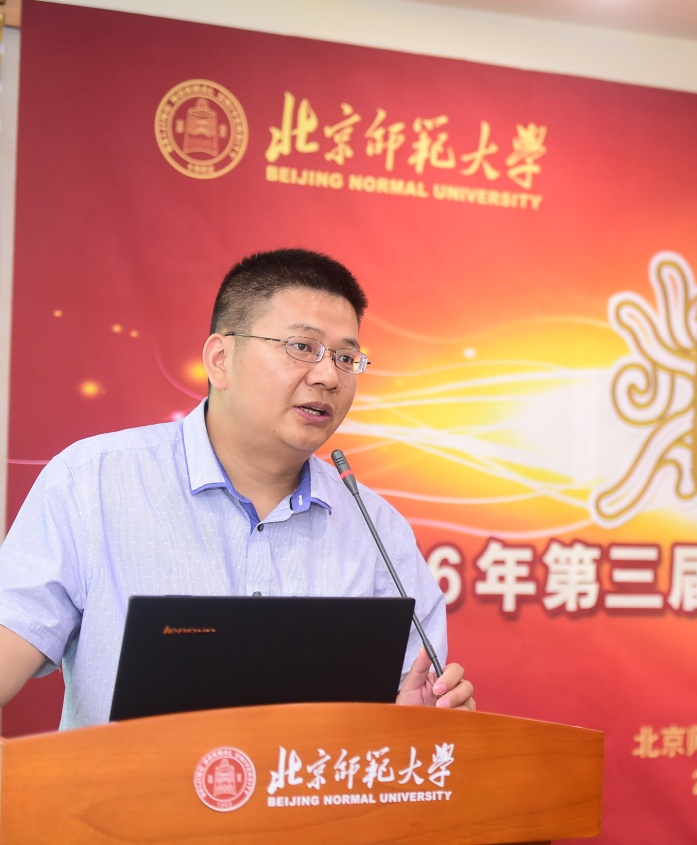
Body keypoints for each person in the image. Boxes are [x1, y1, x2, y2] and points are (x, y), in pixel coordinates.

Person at [0, 248, 473, 728]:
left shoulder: (378, 531)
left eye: (346, 358)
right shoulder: (93, 483)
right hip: (129, 781)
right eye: (302, 347)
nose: (329, 376)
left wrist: (421, 724)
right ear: (220, 359)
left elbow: (412, 714)